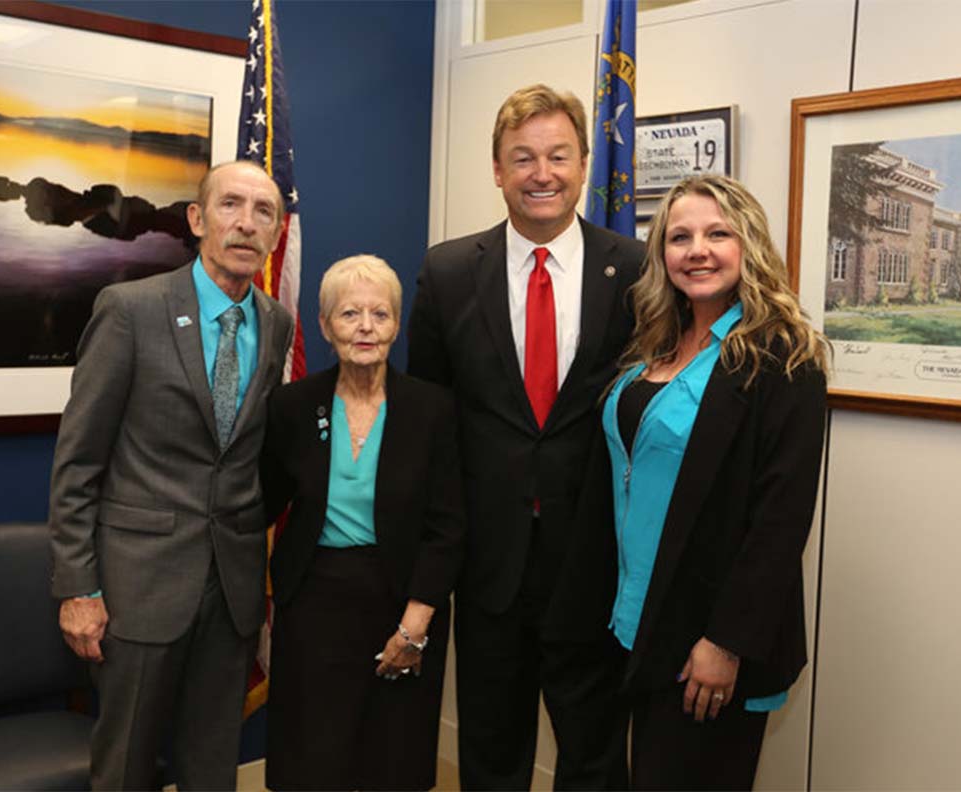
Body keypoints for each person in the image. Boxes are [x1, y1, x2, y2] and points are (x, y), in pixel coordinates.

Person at [408, 83, 645, 790]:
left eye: (558, 156)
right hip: (489, 565)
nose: (542, 173)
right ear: (497, 169)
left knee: (595, 757)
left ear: (582, 168)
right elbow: (430, 420)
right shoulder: (448, 271)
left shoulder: (636, 271)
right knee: (490, 752)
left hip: (595, 560)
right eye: (523, 158)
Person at [570, 173, 829, 791]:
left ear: (749, 246)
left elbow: (780, 519)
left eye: (718, 233)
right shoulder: (652, 343)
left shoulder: (783, 357)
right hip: (633, 621)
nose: (698, 250)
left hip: (705, 642)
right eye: (680, 236)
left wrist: (726, 642)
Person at [49, 160, 294, 791]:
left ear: (276, 230)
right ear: (196, 218)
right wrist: (79, 587)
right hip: (141, 589)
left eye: (262, 211)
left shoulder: (276, 325)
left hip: (232, 588)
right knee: (127, 765)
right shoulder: (131, 310)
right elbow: (78, 461)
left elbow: (250, 453)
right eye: (230, 205)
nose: (245, 224)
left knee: (213, 767)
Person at [260, 254, 465, 791]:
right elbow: (259, 502)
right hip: (313, 601)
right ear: (325, 326)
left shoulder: (432, 409)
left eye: (380, 314)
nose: (366, 328)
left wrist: (415, 626)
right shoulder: (292, 405)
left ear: (398, 324)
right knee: (312, 757)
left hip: (402, 601)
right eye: (350, 314)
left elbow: (448, 527)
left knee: (393, 760)